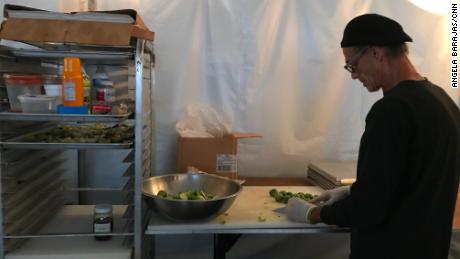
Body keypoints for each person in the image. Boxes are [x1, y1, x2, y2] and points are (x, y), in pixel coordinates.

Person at [286, 13, 460, 259]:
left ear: (375, 53)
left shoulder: (392, 110)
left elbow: (369, 208)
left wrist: (313, 214)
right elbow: (415, 178)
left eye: (352, 64)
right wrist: (351, 191)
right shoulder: (442, 100)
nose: (353, 75)